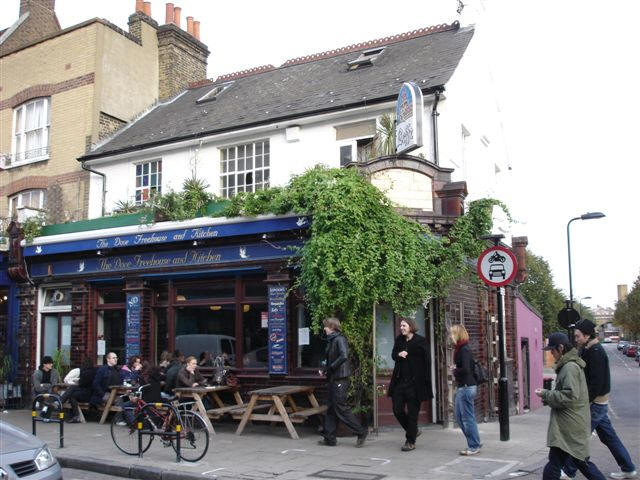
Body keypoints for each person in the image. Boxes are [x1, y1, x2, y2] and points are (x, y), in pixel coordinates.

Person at [561, 320, 637, 480]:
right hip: (599, 404)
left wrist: (584, 402)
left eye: (578, 336)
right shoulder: (588, 349)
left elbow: (596, 384)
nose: (576, 339)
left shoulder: (596, 352)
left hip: (595, 404)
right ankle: (628, 468)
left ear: (587, 335)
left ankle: (568, 471)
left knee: (579, 436)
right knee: (609, 437)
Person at [535, 332, 606, 480]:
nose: (552, 354)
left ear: (561, 348)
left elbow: (569, 396)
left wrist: (546, 394)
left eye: (552, 350)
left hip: (568, 427)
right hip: (572, 425)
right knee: (581, 462)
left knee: (554, 465)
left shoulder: (569, 368)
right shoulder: (569, 366)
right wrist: (549, 397)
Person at [317, 317, 368, 448]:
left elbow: (343, 356)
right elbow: (329, 359)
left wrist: (331, 368)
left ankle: (361, 432)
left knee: (341, 408)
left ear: (333, 327)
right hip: (333, 378)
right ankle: (329, 438)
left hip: (340, 379)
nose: (324, 328)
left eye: (326, 326)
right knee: (331, 409)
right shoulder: (331, 340)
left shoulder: (340, 339)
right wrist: (325, 369)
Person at [388, 317, 433, 452]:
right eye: (401, 326)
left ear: (411, 326)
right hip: (400, 382)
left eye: (404, 325)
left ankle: (410, 441)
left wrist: (425, 381)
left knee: (413, 413)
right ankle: (413, 430)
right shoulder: (399, 340)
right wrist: (398, 354)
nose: (401, 328)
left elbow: (427, 362)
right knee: (397, 409)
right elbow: (393, 355)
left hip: (415, 384)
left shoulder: (421, 341)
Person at [450, 324, 482, 456]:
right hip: (463, 387)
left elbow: (466, 369)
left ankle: (474, 445)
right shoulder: (461, 348)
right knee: (459, 416)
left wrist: (454, 369)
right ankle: (475, 441)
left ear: (457, 334)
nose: (450, 336)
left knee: (467, 418)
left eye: (452, 333)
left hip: (466, 387)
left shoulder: (463, 349)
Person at [59, 358, 95, 423]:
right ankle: (75, 415)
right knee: (72, 392)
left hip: (88, 395)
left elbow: (81, 384)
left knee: (72, 392)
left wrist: (76, 382)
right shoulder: (94, 372)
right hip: (91, 394)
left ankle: (60, 401)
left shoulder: (85, 373)